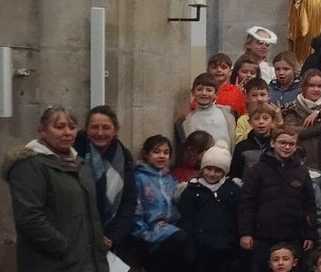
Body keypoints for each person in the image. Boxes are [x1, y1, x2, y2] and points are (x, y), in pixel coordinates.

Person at [4, 106, 109, 272]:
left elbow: (88, 214)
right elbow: (29, 217)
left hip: (87, 261)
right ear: (42, 131)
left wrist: (96, 240)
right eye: (59, 127)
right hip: (53, 262)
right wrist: (63, 246)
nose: (68, 133)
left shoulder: (79, 165)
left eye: (72, 127)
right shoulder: (31, 165)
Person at [240, 126, 320, 272]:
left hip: (294, 236)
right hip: (263, 236)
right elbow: (247, 204)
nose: (287, 147)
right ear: (273, 143)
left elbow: (309, 206)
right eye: (282, 142)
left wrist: (310, 234)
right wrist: (246, 233)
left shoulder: (302, 172)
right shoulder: (257, 170)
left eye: (291, 144)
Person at [74, 105, 139, 263]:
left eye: (106, 127)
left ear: (115, 130)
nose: (100, 133)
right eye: (94, 127)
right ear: (87, 130)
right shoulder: (74, 155)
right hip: (78, 237)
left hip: (111, 236)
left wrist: (112, 236)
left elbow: (129, 200)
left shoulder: (123, 157)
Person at [131, 135, 198, 272]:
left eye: (166, 152)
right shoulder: (139, 178)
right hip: (150, 236)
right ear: (146, 154)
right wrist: (145, 235)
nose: (161, 156)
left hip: (171, 231)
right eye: (156, 152)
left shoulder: (169, 178)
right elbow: (135, 210)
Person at [178, 140, 241, 272]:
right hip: (200, 250)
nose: (212, 174)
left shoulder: (232, 190)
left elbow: (236, 218)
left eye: (218, 170)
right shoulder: (191, 190)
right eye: (208, 169)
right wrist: (189, 249)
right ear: (202, 168)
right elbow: (186, 221)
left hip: (226, 249)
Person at [180, 72, 237, 149]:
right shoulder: (189, 121)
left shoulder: (226, 115)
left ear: (216, 94)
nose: (204, 93)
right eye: (199, 89)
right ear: (193, 92)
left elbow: (232, 143)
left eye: (209, 90)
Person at [233, 101, 283, 179]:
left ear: (273, 121)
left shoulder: (280, 146)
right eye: (256, 118)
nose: (261, 122)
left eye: (265, 118)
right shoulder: (241, 147)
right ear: (250, 122)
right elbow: (235, 176)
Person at [195, 52, 246, 116]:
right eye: (214, 67)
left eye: (223, 67)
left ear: (230, 72)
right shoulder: (202, 91)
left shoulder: (236, 91)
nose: (219, 70)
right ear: (208, 71)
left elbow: (242, 114)